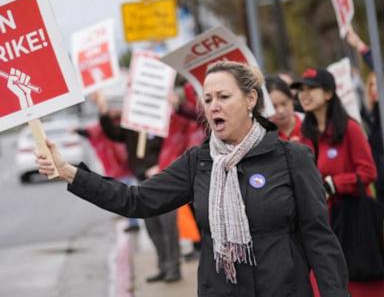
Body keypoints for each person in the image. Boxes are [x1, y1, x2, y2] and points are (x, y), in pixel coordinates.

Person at [36, 61, 349, 296]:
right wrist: (69, 172)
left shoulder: (291, 158)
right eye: (208, 99)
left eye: (224, 96)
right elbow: (136, 200)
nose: (213, 106)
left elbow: (319, 239)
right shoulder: (199, 163)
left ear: (250, 99)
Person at [291, 67, 382, 297]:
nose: (304, 94)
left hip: (355, 221)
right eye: (301, 90)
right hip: (321, 221)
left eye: (311, 88)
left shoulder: (349, 128)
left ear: (329, 93)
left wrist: (335, 184)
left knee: (361, 285)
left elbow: (368, 172)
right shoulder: (305, 134)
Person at [93, 91, 181, 283]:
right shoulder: (132, 128)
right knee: (153, 228)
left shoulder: (163, 124)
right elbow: (112, 132)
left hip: (164, 183)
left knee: (168, 228)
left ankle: (174, 268)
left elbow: (175, 145)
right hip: (143, 184)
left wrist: (162, 166)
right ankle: (163, 266)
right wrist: (103, 111)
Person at [345, 26, 384, 204]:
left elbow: (379, 69)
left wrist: (360, 45)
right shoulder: (373, 116)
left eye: (379, 84)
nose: (375, 88)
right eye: (372, 84)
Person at [265, 75, 303, 142]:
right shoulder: (264, 135)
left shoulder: (308, 123)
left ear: (292, 99)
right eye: (274, 107)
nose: (280, 111)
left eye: (284, 104)